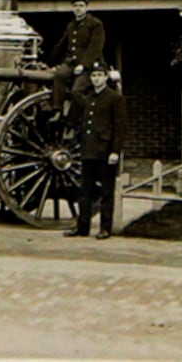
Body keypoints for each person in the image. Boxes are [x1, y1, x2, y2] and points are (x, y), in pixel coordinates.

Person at [64, 61, 127, 240]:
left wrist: (115, 151)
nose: (96, 79)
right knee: (85, 191)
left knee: (107, 191)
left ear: (106, 78)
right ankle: (82, 227)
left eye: (100, 75)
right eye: (93, 76)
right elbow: (84, 124)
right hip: (88, 150)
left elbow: (120, 128)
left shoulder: (115, 99)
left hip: (106, 152)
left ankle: (105, 228)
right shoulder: (89, 99)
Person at [47, 0, 105, 112]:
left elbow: (95, 47)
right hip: (71, 64)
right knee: (59, 76)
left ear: (86, 7)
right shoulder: (71, 26)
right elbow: (61, 46)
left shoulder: (95, 24)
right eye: (75, 6)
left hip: (89, 67)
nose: (78, 9)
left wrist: (83, 65)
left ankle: (83, 115)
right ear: (72, 8)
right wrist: (50, 63)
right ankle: (57, 110)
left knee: (76, 91)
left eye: (81, 6)